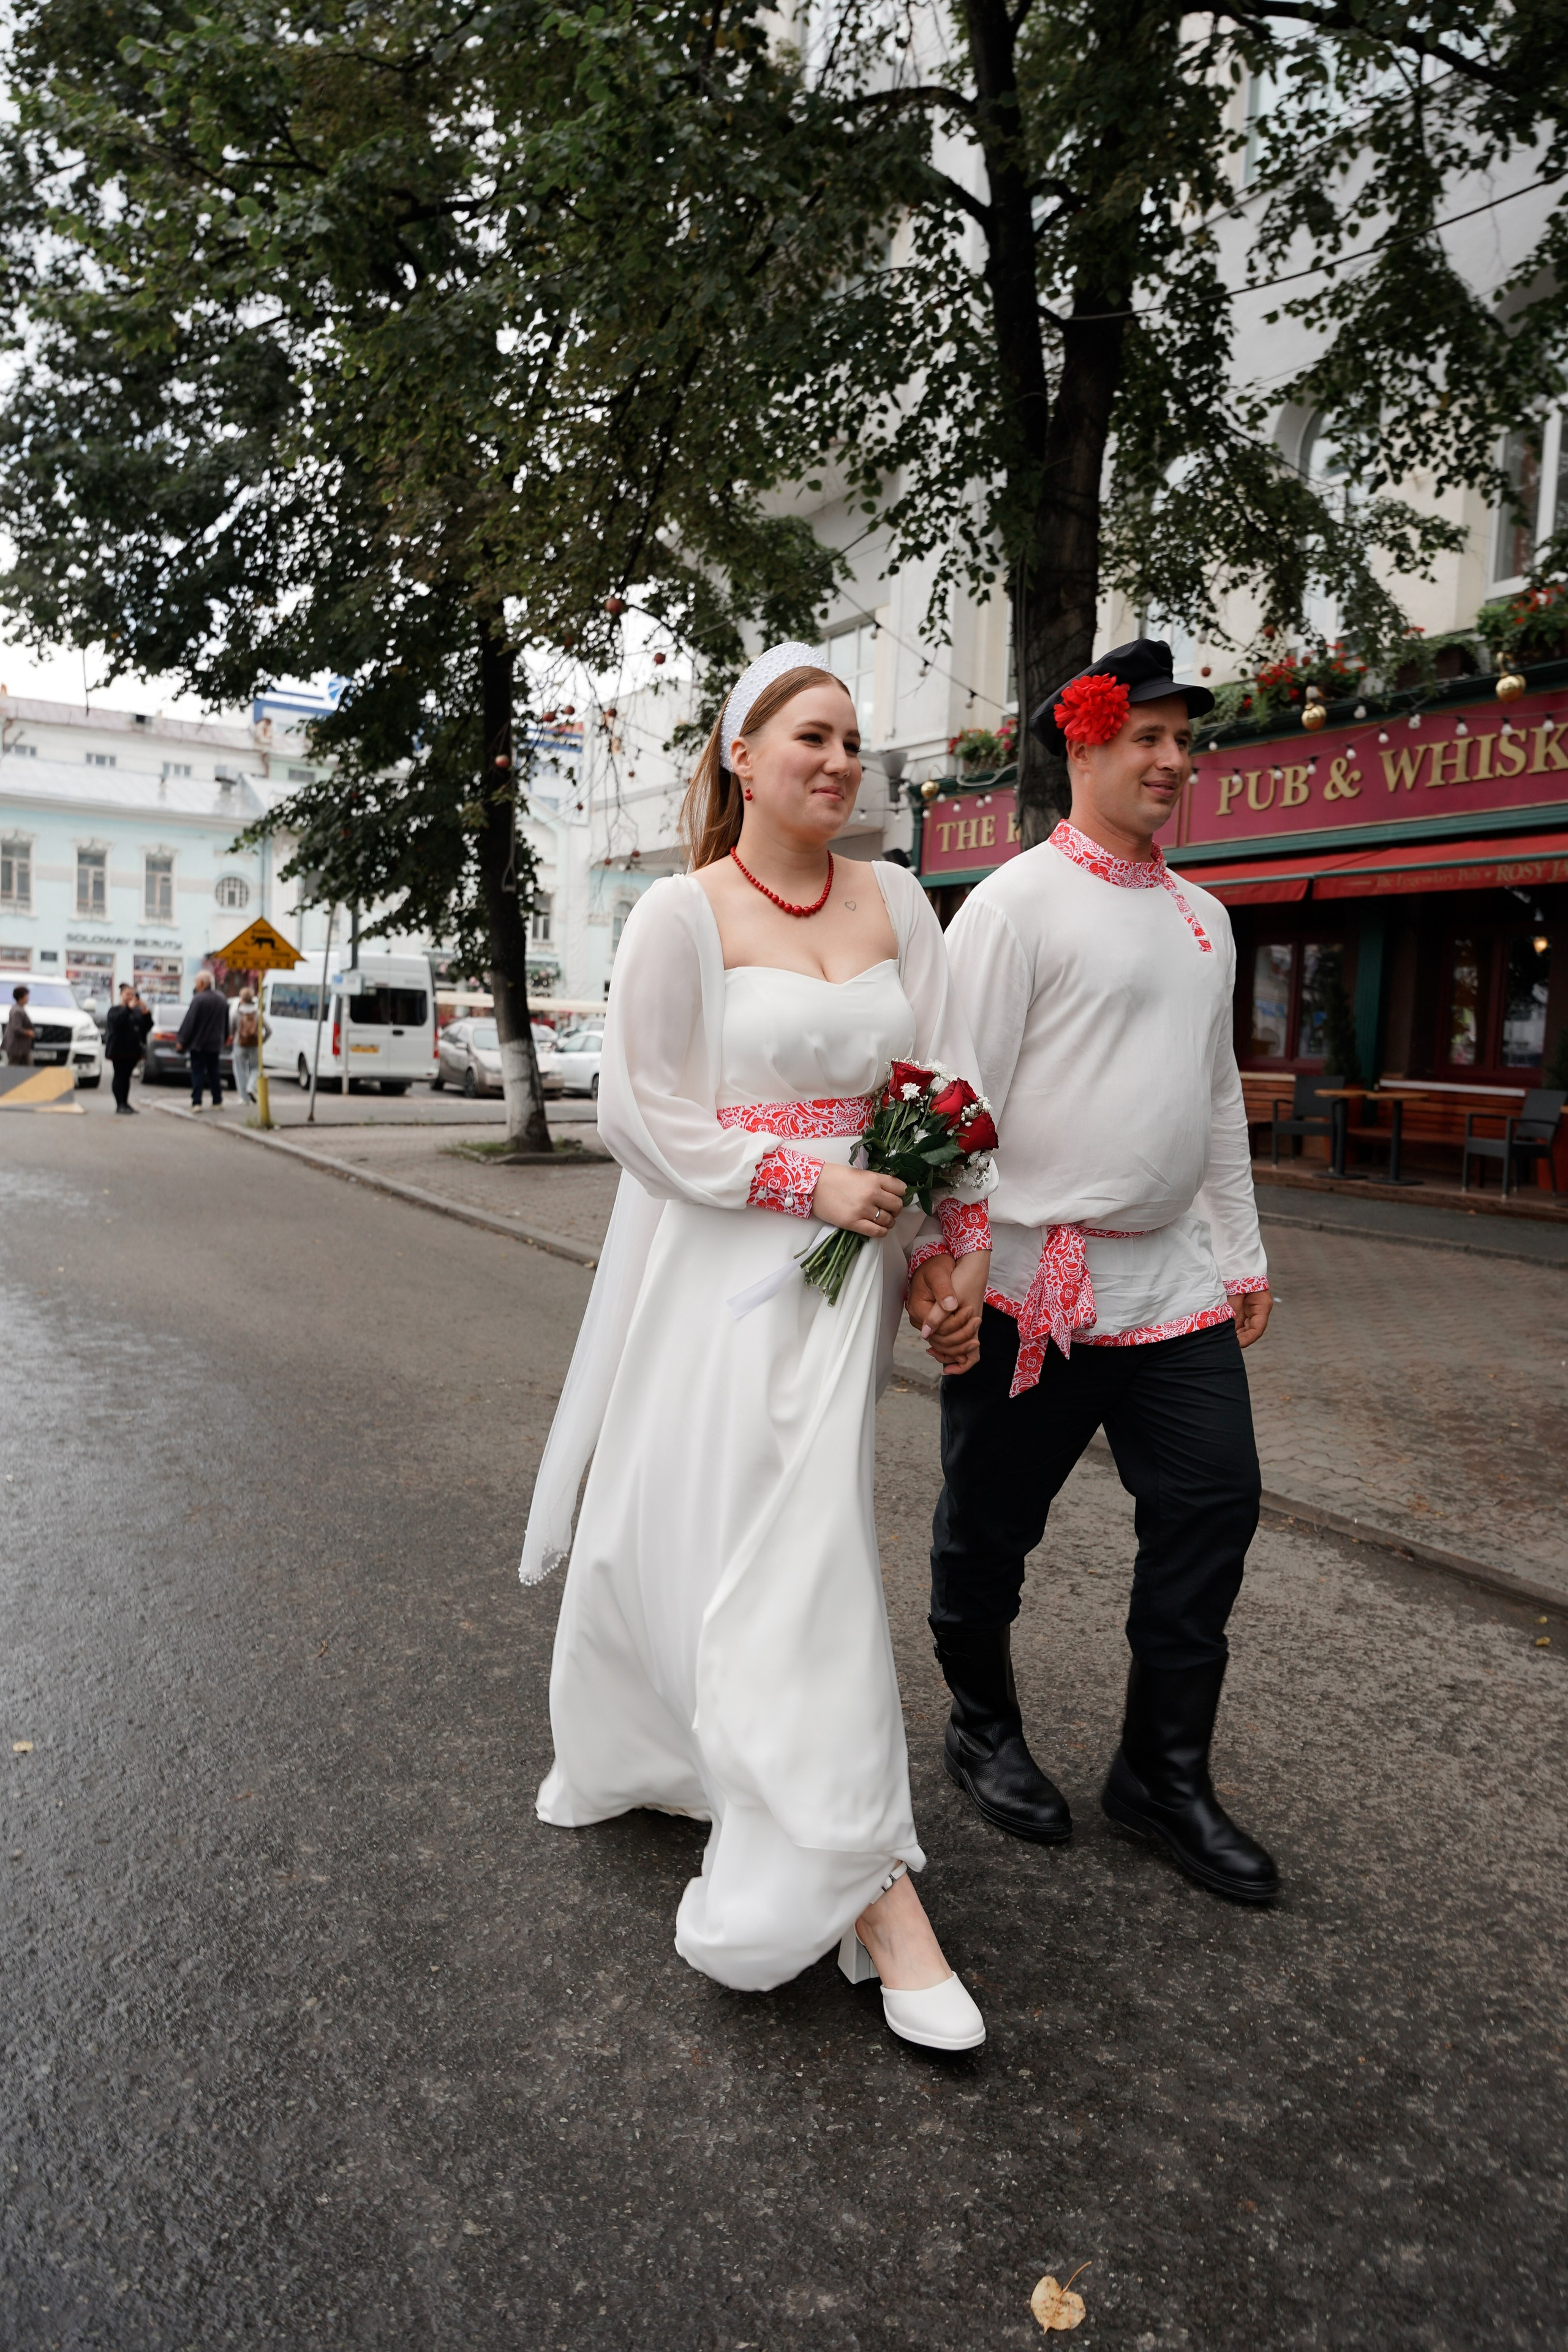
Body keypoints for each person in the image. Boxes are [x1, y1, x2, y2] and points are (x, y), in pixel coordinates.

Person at [523, 643, 992, 2052]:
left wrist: (950, 1247)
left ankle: (809, 1817)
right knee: (749, 1532)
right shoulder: (681, 913)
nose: (840, 760)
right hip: (725, 1268)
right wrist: (803, 1182)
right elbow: (637, 1113)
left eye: (852, 739)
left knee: (801, 1536)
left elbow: (944, 1087)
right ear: (740, 756)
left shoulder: (899, 900)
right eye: (810, 736)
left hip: (851, 1281)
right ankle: (867, 1884)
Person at [909, 638, 1279, 1904]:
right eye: (1148, 738)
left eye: (1185, 741)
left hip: (1172, 1283)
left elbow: (1216, 1096)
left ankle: (1160, 1775)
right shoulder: (1013, 904)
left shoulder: (1204, 919)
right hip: (1033, 1282)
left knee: (1214, 1505)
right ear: (1084, 744)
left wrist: (1240, 1250)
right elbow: (957, 1099)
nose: (1174, 761)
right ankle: (981, 1728)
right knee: (987, 1525)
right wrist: (951, 1257)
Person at [177, 971, 228, 1109]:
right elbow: (226, 1022)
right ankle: (217, 1101)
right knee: (214, 1072)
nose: (196, 985)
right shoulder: (222, 999)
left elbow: (190, 1022)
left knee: (198, 1072)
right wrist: (225, 1038)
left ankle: (197, 1102)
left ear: (202, 983)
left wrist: (182, 1040)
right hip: (215, 1043)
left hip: (199, 1043)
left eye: (196, 982)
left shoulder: (199, 1000)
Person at [104, 984, 153, 1113]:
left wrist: (146, 1013)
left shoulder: (136, 1011)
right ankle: (119, 1105)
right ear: (121, 995)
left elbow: (146, 1027)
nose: (131, 997)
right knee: (119, 1076)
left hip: (133, 1050)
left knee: (126, 1077)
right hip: (118, 1049)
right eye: (128, 994)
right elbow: (117, 1023)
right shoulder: (115, 1010)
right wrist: (129, 1009)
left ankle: (125, 1103)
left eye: (133, 995)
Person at [228, 986, 268, 1106]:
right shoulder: (258, 1014)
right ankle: (251, 1087)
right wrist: (262, 1041)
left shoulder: (237, 1013)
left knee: (239, 1070)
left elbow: (231, 1030)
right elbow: (269, 1030)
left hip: (239, 1044)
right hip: (255, 1045)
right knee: (256, 1068)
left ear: (242, 999)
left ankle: (244, 1098)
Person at [4, 982, 35, 1065]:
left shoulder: (19, 1009)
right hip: (17, 1047)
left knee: (27, 1067)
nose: (28, 998)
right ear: (21, 997)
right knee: (14, 1067)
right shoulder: (17, 1011)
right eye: (26, 996)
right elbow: (17, 1028)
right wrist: (29, 1033)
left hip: (22, 1047)